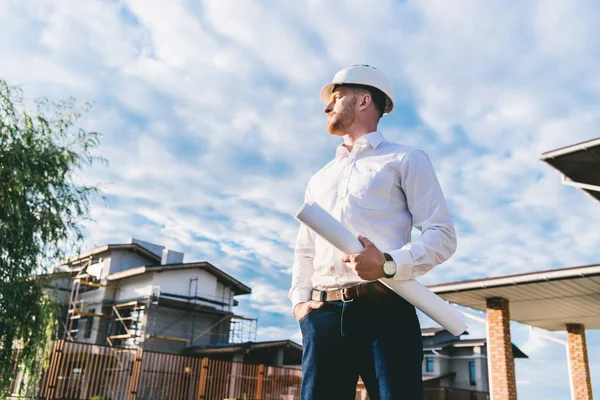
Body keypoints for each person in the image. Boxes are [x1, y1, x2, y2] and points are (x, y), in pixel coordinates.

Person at [289, 65, 457, 400]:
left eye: (336, 98)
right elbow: (305, 249)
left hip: (387, 312)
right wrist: (299, 304)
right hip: (323, 315)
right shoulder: (319, 178)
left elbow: (442, 234)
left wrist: (388, 263)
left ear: (364, 100)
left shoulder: (405, 159)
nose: (326, 107)